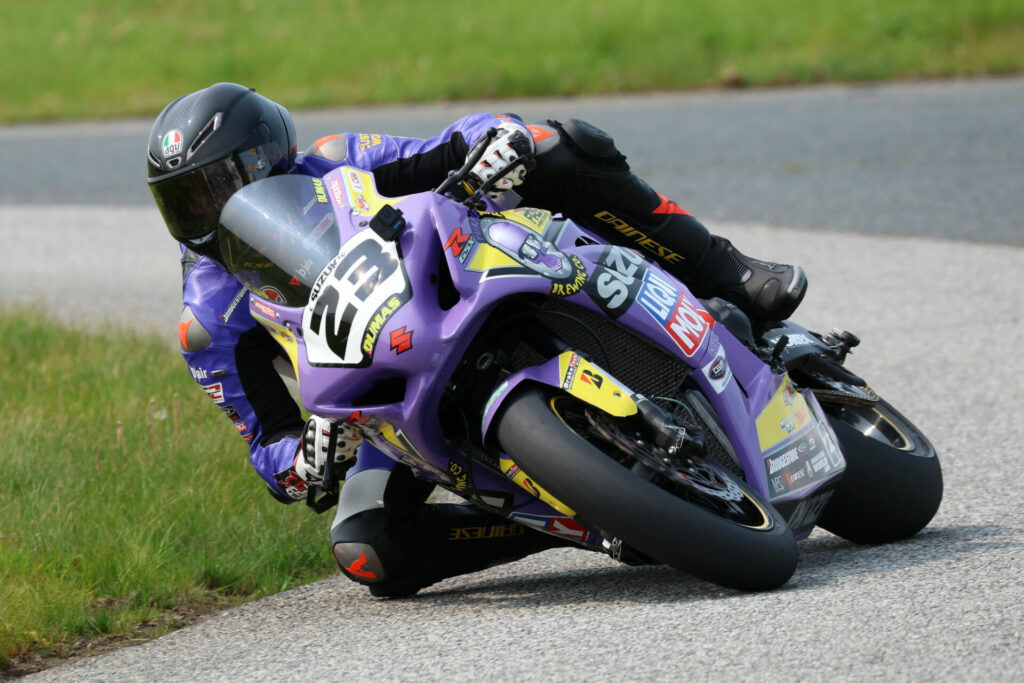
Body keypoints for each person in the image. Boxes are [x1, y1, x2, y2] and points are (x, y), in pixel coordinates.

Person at [147, 82, 806, 597]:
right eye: (186, 202)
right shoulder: (208, 317)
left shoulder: (338, 160)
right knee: (366, 548)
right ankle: (579, 514)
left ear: (267, 155)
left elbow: (447, 144)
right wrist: (309, 460)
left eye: (215, 187)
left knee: (557, 143)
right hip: (387, 405)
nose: (205, 212)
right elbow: (269, 446)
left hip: (458, 284)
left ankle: (730, 272)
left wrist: (497, 142)